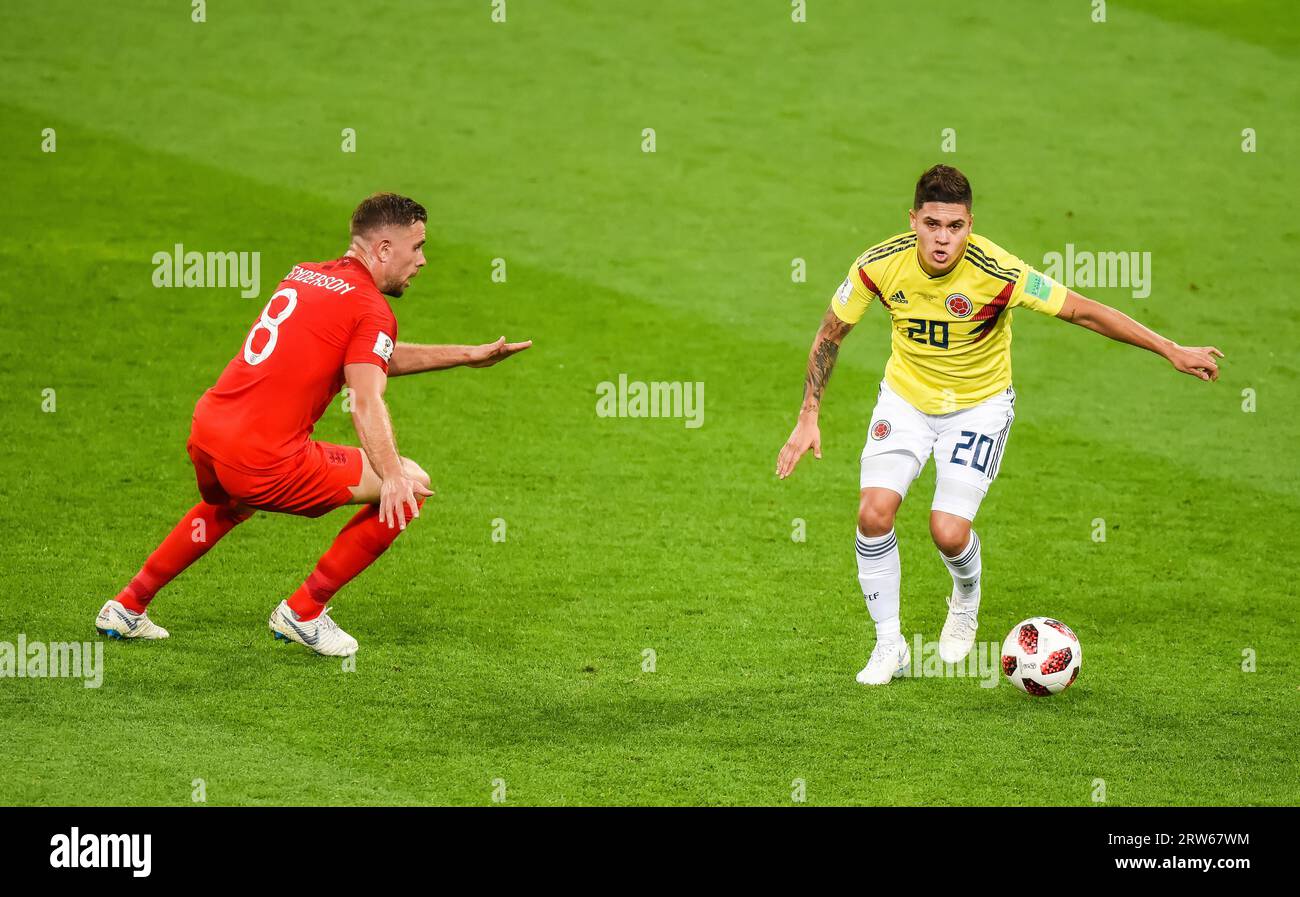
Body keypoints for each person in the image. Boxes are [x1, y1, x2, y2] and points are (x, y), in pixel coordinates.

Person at [775, 165, 1222, 685]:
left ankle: (965, 595)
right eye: (933, 224)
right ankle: (889, 645)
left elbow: (1079, 310)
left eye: (956, 226)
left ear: (970, 224)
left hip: (978, 407)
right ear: (913, 220)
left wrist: (1169, 349)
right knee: (873, 515)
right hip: (905, 402)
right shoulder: (879, 265)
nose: (943, 240)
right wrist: (809, 415)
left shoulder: (998, 271)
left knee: (947, 531)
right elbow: (831, 333)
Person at [96, 193, 531, 656]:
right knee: (413, 484)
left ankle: (127, 606)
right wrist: (392, 476)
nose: (422, 260)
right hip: (263, 458)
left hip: (209, 430)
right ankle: (303, 612)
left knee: (230, 505)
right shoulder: (372, 309)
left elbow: (365, 356)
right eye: (417, 246)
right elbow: (364, 398)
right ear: (384, 249)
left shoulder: (309, 275)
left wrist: (466, 356)